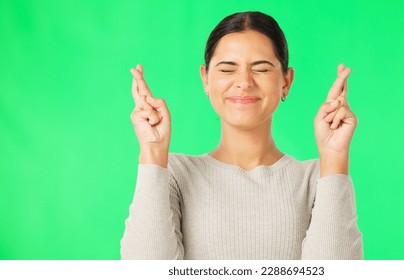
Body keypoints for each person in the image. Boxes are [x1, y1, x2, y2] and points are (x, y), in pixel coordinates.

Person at [121, 11, 363, 260]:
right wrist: (152, 152)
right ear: (206, 78)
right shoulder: (174, 173)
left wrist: (334, 157)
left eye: (261, 69)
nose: (244, 82)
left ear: (286, 82)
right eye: (227, 69)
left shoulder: (318, 178)